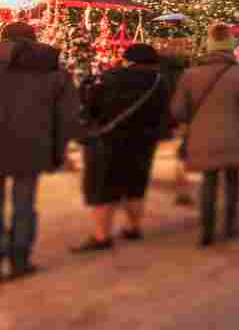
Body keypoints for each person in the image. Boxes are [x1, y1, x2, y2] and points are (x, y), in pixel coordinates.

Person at [172, 23, 239, 247]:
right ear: (230, 46)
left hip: (202, 139)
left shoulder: (190, 75)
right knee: (233, 183)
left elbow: (177, 110)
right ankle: (230, 227)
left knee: (209, 182)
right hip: (236, 138)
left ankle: (207, 231)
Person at [74, 43, 171, 253]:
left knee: (102, 187)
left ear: (128, 59)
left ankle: (102, 236)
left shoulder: (110, 77)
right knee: (136, 185)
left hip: (108, 141)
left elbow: (91, 107)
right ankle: (133, 227)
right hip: (144, 140)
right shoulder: (159, 81)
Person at [0, 22, 79, 278]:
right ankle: (20, 260)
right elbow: (68, 116)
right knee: (25, 204)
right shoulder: (51, 66)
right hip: (33, 145)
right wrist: (59, 150)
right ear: (33, 39)